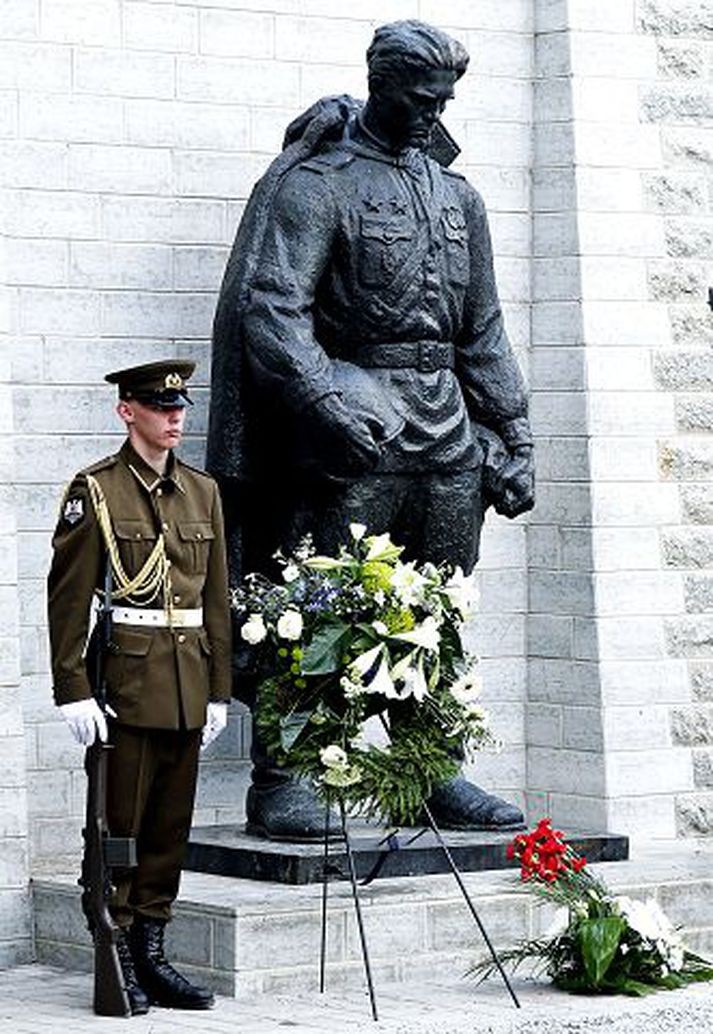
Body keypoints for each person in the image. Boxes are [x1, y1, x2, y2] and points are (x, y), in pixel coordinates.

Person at [207, 20, 534, 840]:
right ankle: (286, 775)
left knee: (436, 604)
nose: (436, 112)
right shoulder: (319, 183)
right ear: (382, 85)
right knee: (316, 601)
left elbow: (483, 328)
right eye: (423, 98)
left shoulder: (459, 196)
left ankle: (428, 764)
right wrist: (324, 404)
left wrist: (515, 434)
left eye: (446, 99)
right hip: (355, 425)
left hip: (447, 431)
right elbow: (271, 309)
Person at [48, 360, 231, 1014]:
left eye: (180, 407)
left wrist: (218, 691)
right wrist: (72, 688)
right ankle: (116, 950)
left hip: (185, 686)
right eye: (160, 406)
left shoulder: (202, 492)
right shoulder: (96, 491)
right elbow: (68, 599)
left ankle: (152, 955)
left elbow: (215, 599)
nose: (174, 416)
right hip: (124, 686)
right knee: (118, 828)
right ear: (128, 411)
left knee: (167, 831)